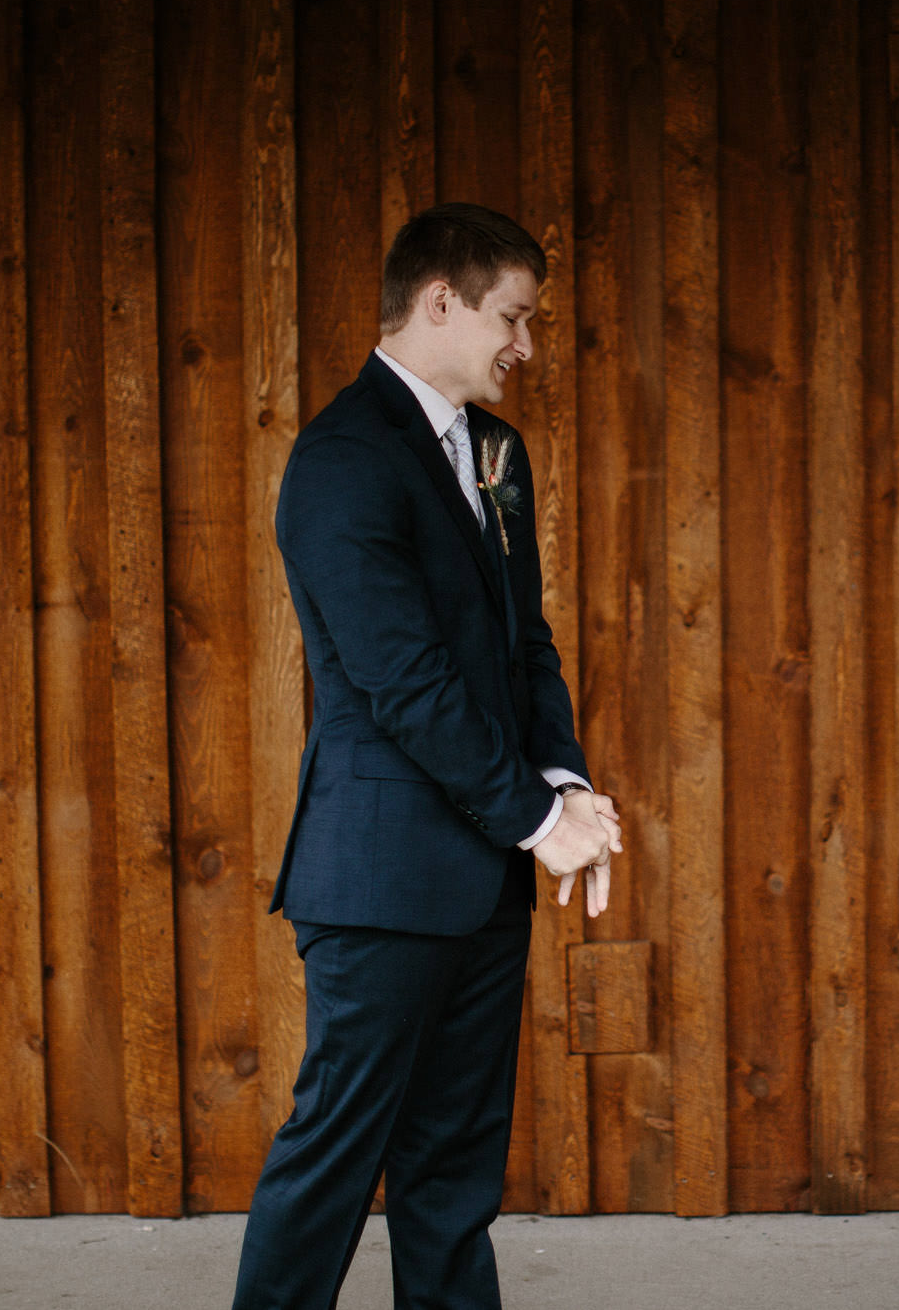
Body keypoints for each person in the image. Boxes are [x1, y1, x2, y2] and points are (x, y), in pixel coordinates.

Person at [233, 202, 622, 1310]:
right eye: (514, 317)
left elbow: (522, 644)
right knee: (333, 1162)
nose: (527, 346)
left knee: (454, 1178)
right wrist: (540, 826)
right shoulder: (341, 457)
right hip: (382, 875)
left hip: (487, 870)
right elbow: (403, 682)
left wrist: (565, 783)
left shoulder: (499, 453)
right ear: (440, 301)